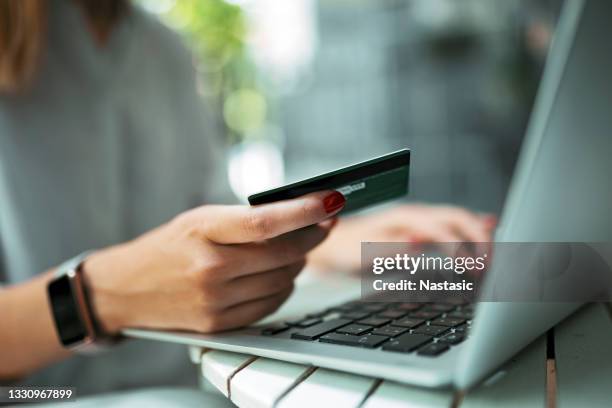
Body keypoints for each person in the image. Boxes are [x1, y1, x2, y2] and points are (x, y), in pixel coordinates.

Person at [0, 0, 494, 398]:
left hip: (202, 388)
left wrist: (333, 241)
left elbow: (206, 229)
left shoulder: (163, 50)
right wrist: (97, 298)